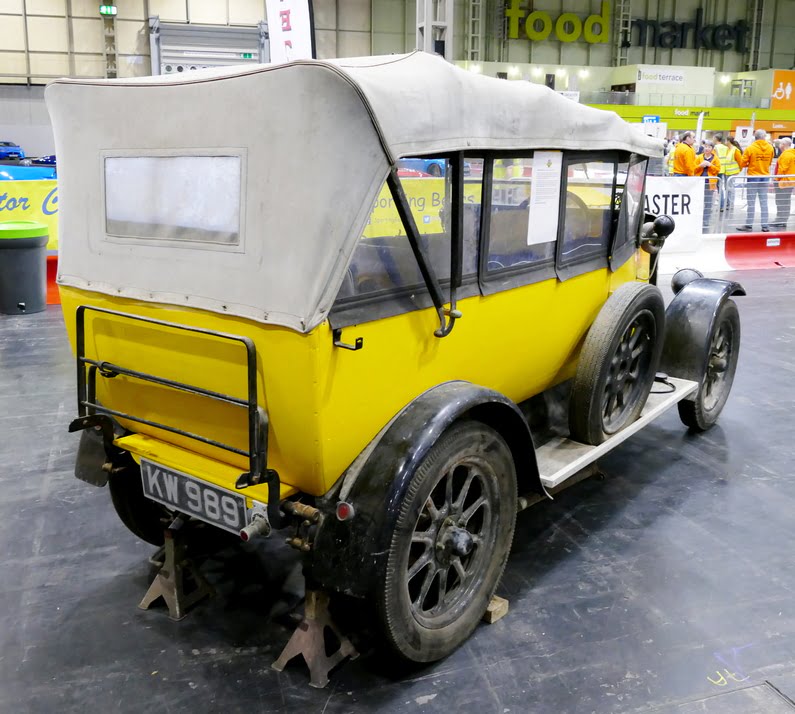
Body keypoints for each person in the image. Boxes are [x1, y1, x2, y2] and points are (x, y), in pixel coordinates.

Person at [737, 129, 774, 232]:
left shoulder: (750, 148)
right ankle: (765, 226)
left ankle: (749, 225)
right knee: (764, 202)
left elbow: (742, 163)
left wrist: (750, 164)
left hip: (753, 177)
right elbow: (770, 162)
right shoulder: (770, 148)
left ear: (755, 137)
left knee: (751, 202)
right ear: (764, 136)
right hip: (765, 177)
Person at [699, 140, 721, 231]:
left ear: (712, 149)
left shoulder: (715, 159)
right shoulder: (699, 157)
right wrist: (700, 166)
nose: (707, 148)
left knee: (708, 203)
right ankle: (698, 219)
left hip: (710, 183)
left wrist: (710, 165)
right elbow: (693, 168)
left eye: (709, 147)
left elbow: (718, 170)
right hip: (699, 182)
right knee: (699, 202)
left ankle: (706, 220)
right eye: (705, 146)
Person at [773, 137, 795, 228]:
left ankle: (780, 220)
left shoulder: (786, 155)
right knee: (786, 201)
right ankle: (783, 220)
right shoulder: (792, 154)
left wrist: (777, 179)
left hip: (783, 182)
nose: (779, 146)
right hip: (789, 181)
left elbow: (782, 169)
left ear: (784, 145)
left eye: (781, 144)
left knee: (781, 201)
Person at [720, 136, 743, 211]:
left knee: (731, 189)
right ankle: (728, 203)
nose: (725, 142)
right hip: (726, 172)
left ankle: (731, 204)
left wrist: (739, 171)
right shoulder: (727, 149)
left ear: (729, 141)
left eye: (726, 140)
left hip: (732, 173)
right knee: (727, 188)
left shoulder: (735, 150)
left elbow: (740, 162)